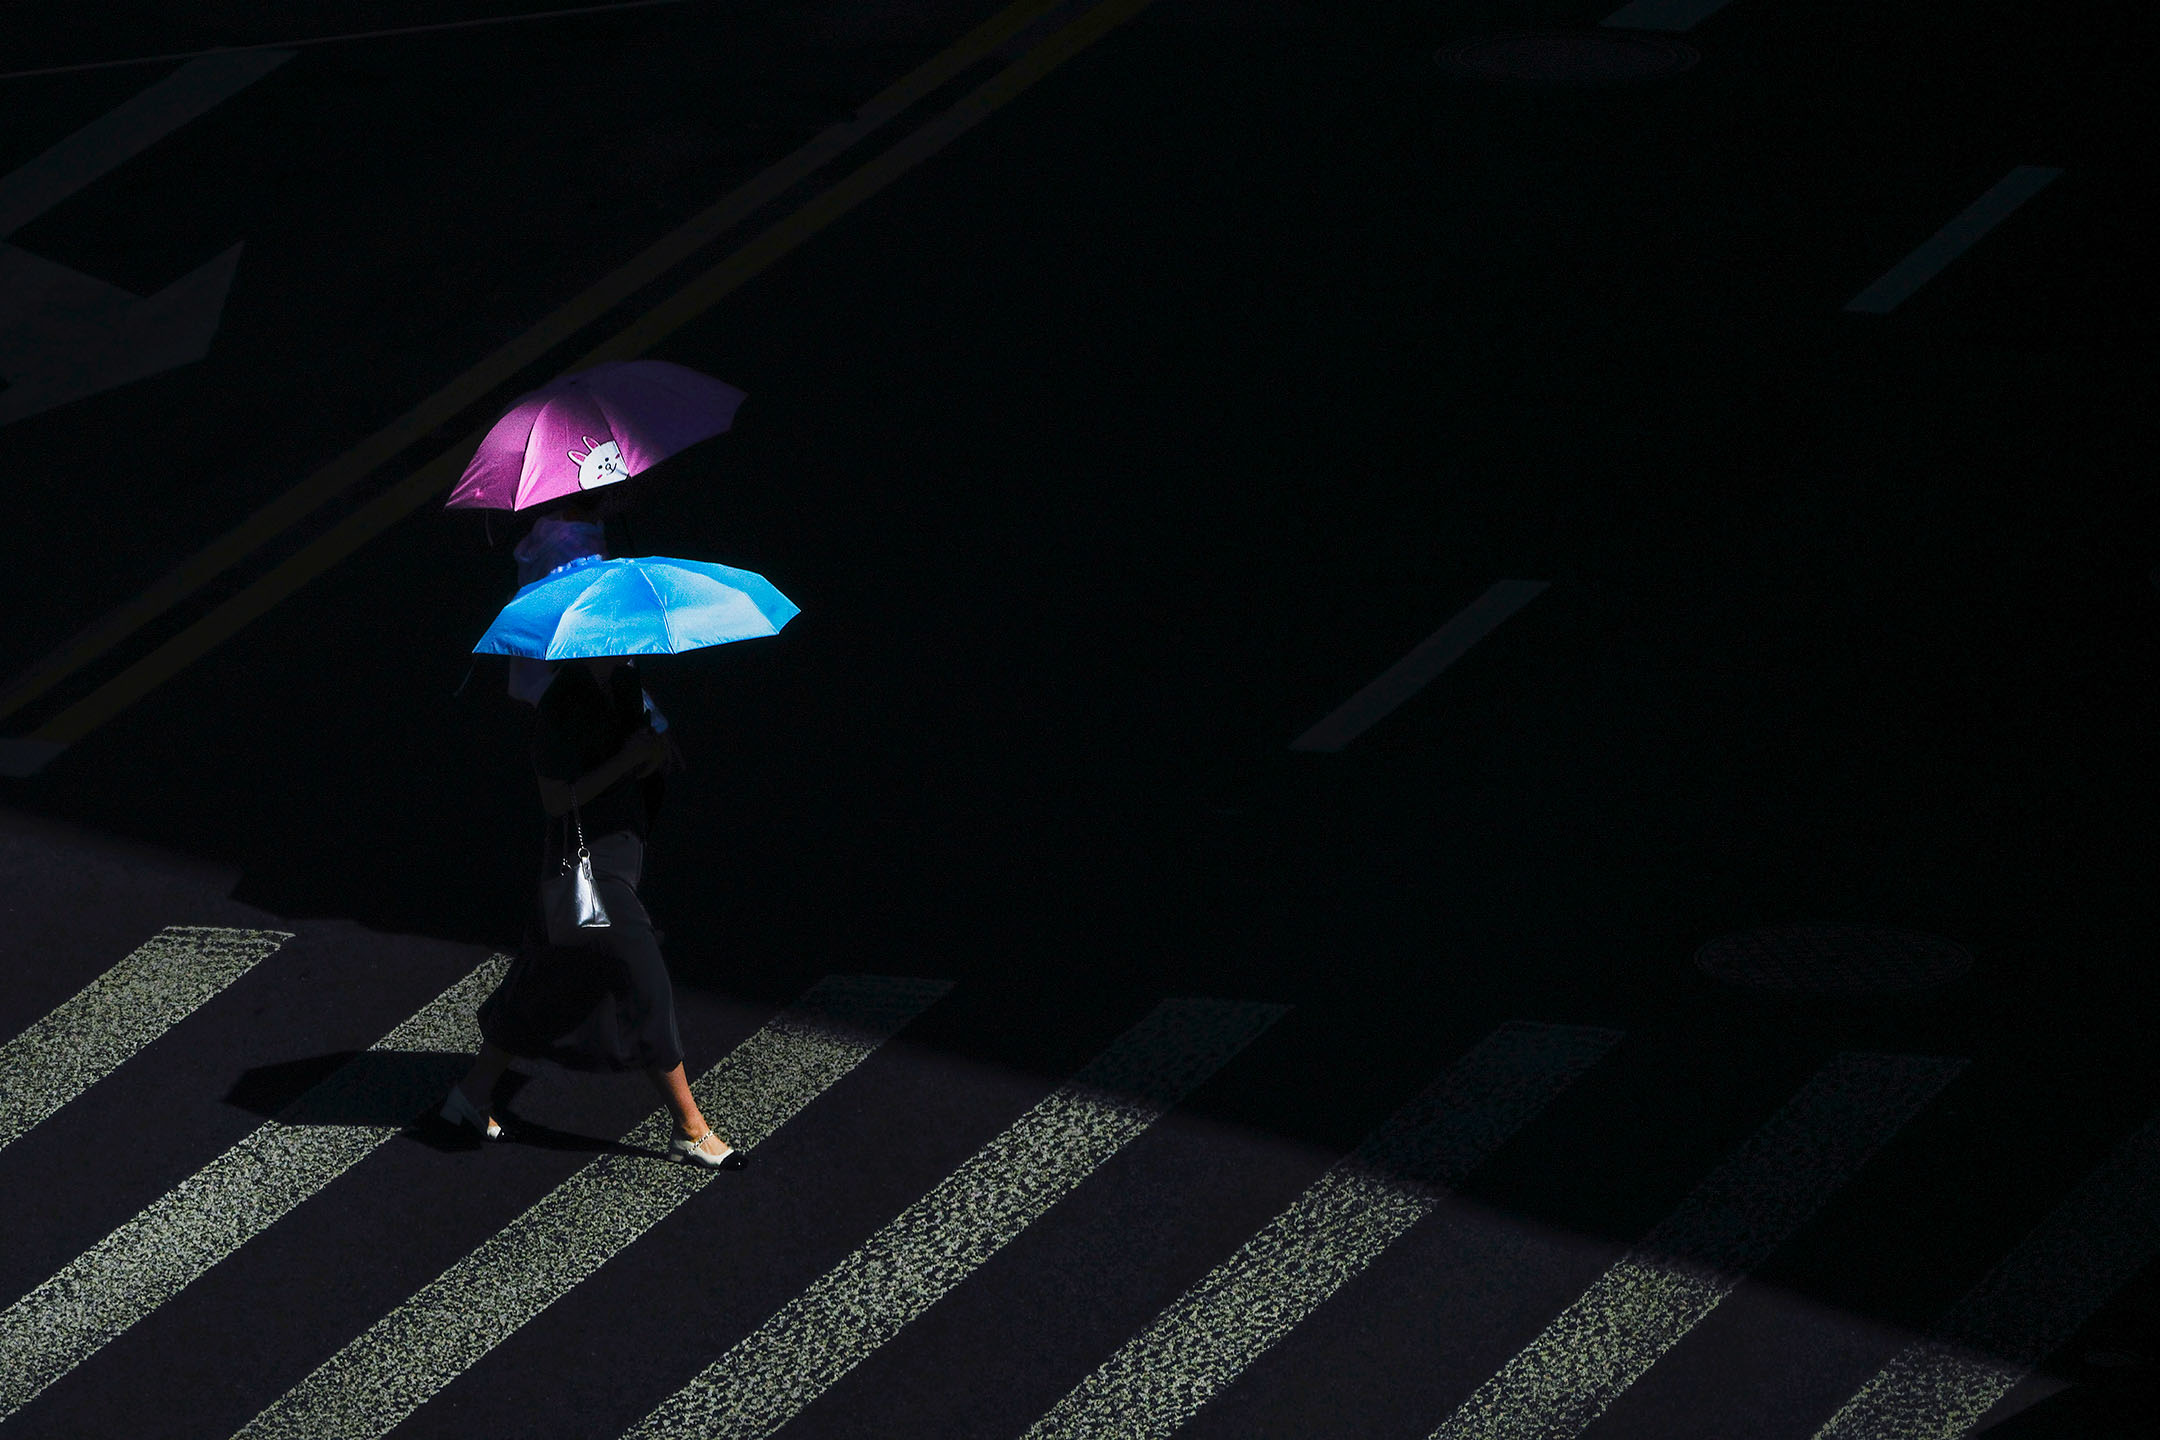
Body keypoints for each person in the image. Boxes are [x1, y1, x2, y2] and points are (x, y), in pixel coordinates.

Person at [441, 654, 741, 1169]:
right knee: (646, 978)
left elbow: (634, 751)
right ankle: (690, 1128)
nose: (628, 648)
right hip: (584, 870)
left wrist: (654, 752)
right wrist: (626, 761)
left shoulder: (625, 682)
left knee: (550, 983)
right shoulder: (560, 705)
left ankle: (471, 1094)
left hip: (620, 855)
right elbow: (556, 800)